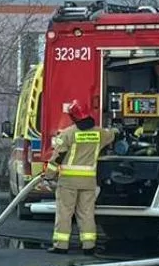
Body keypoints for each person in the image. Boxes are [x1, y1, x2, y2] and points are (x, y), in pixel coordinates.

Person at [43, 100, 120, 256]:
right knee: (86, 213)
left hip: (68, 182)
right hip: (88, 182)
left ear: (73, 117)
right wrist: (116, 130)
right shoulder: (99, 133)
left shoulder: (68, 134)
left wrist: (49, 176)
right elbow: (112, 134)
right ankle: (89, 246)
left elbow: (57, 157)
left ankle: (61, 246)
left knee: (64, 213)